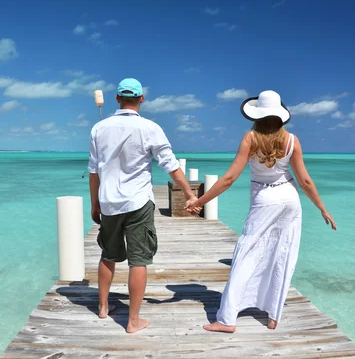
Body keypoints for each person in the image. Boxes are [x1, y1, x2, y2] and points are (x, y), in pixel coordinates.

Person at [185, 90, 336, 333]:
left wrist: (199, 201)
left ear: (257, 115)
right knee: (282, 253)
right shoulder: (292, 141)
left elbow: (229, 178)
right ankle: (274, 315)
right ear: (280, 115)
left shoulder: (250, 138)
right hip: (289, 198)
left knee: (245, 255)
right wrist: (322, 208)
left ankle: (227, 320)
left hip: (264, 199)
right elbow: (305, 181)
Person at [88, 78, 200, 333]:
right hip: (138, 202)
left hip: (108, 203)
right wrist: (188, 193)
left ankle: (103, 308)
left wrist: (94, 205)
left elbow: (94, 173)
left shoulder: (98, 128)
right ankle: (133, 321)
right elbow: (171, 165)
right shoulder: (150, 128)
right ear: (141, 99)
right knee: (138, 260)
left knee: (107, 254)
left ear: (117, 98)